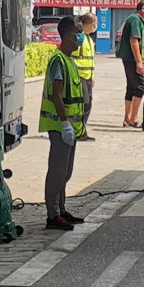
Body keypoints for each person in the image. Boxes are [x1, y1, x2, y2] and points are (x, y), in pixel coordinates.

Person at [43, 16, 87, 230]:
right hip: (61, 127)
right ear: (67, 35)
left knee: (65, 172)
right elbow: (56, 94)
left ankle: (61, 209)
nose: (81, 36)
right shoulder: (58, 60)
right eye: (78, 32)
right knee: (57, 172)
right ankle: (53, 215)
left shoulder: (69, 60)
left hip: (71, 128)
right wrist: (65, 123)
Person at [116, 0, 144, 127]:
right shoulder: (135, 20)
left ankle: (127, 118)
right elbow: (134, 40)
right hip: (132, 59)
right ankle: (134, 119)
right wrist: (139, 61)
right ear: (143, 9)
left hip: (128, 59)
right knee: (141, 86)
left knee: (131, 87)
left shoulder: (134, 19)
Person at [70, 12, 98, 141]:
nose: (95, 26)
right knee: (83, 104)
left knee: (88, 104)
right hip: (78, 76)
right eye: (94, 23)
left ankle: (81, 130)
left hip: (87, 77)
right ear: (91, 24)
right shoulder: (79, 38)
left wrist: (92, 76)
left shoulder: (88, 39)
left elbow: (90, 60)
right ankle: (78, 131)